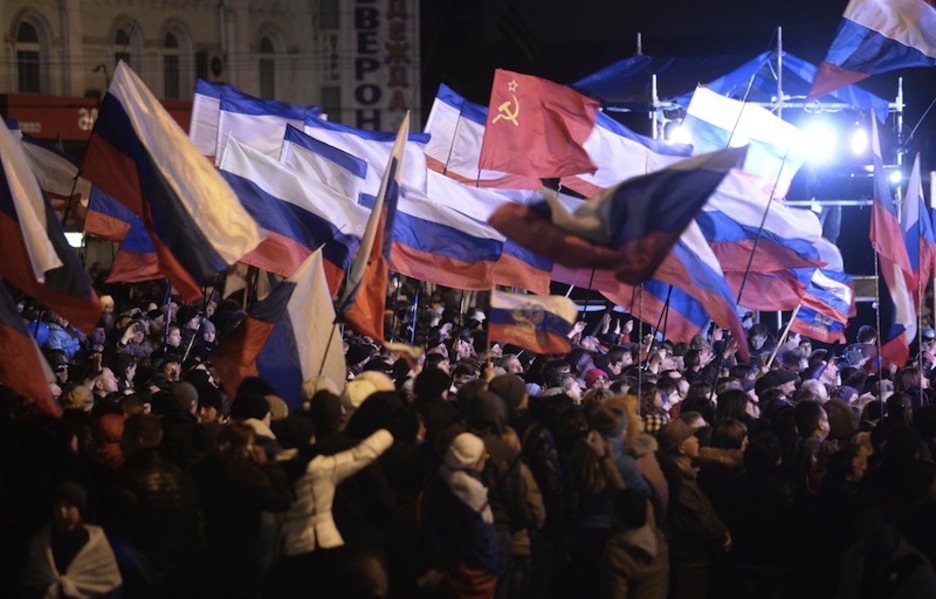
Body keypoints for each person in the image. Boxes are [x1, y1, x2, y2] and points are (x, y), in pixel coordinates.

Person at [21, 482, 122, 598]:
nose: (62, 512)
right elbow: (31, 580)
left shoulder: (95, 544)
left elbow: (111, 586)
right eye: (57, 506)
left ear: (79, 511)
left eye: (68, 506)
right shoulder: (41, 541)